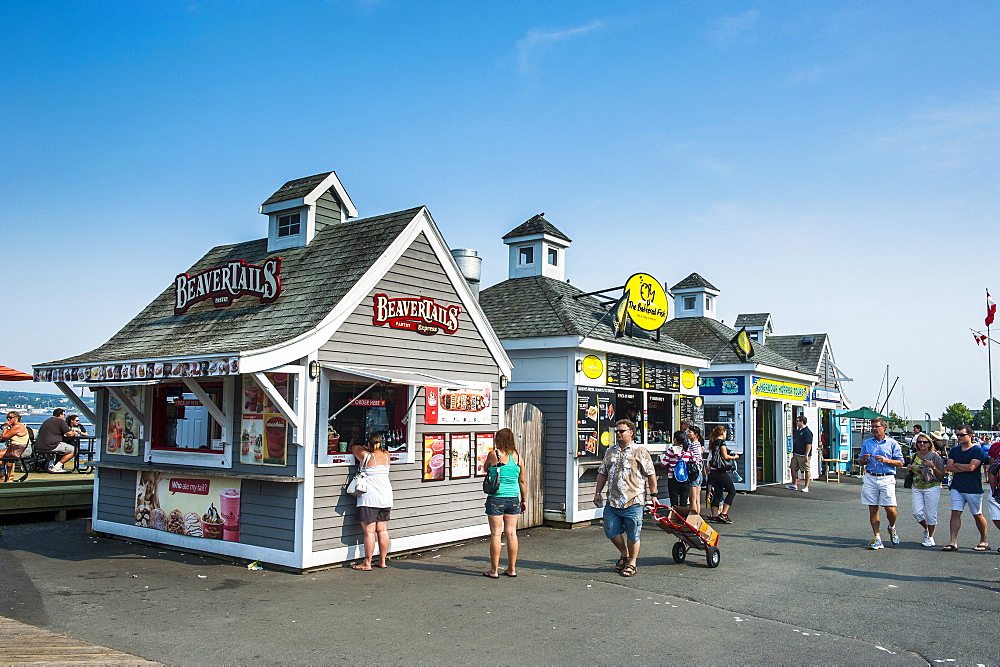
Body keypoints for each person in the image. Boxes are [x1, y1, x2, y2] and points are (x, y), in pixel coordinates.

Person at [593, 419, 656, 578]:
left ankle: (632, 562)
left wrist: (654, 495)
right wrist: (597, 492)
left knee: (633, 533)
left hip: (633, 500)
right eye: (617, 431)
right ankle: (624, 553)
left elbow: (650, 473)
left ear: (631, 432)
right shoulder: (610, 452)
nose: (618, 434)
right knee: (610, 530)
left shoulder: (640, 451)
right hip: (613, 500)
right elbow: (603, 472)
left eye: (621, 431)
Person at [482, 427, 526, 578]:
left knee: (496, 533)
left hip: (496, 498)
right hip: (513, 498)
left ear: (498, 440)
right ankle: (511, 568)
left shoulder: (494, 455)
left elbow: (485, 468)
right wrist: (524, 500)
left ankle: (494, 570)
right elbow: (522, 481)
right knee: (512, 533)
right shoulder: (518, 458)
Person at [857, 417, 905, 549]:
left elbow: (901, 462)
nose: (874, 429)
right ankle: (877, 537)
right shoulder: (867, 443)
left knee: (890, 508)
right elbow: (859, 461)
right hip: (871, 476)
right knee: (872, 507)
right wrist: (863, 459)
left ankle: (892, 527)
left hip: (887, 477)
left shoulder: (892, 443)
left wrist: (886, 460)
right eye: (872, 427)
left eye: (877, 427)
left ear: (884, 428)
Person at [941, 425, 989, 551]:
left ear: (970, 435)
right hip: (957, 486)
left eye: (962, 435)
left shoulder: (977, 450)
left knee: (977, 514)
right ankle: (953, 541)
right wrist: (962, 467)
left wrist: (957, 465)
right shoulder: (955, 450)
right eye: (957, 435)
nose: (959, 437)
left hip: (973, 487)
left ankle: (983, 540)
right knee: (955, 513)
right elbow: (949, 467)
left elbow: (972, 468)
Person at [350, 432, 393, 569]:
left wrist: (363, 446)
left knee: (369, 531)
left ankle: (367, 562)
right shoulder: (387, 455)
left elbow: (354, 447)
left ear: (369, 443)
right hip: (386, 496)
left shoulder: (366, 455)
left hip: (369, 497)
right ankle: (382, 561)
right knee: (382, 530)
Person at [907, 432, 945, 547]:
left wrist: (932, 466)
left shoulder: (934, 456)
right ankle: (927, 528)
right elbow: (911, 469)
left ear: (929, 443)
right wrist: (910, 468)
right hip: (917, 486)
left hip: (932, 486)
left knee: (930, 513)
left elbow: (942, 475)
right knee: (917, 513)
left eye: (925, 442)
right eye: (920, 442)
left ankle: (931, 537)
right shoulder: (914, 456)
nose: (922, 444)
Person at [706, 425, 740, 524]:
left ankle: (714, 515)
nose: (726, 435)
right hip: (720, 471)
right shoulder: (721, 442)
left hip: (713, 471)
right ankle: (723, 513)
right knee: (732, 491)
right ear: (722, 433)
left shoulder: (713, 443)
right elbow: (725, 456)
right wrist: (735, 457)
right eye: (725, 433)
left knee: (718, 492)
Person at [35, 408, 79, 473]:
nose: (64, 416)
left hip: (39, 445)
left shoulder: (47, 421)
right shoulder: (60, 421)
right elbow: (69, 434)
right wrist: (75, 433)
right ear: (60, 415)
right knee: (75, 450)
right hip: (51, 445)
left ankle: (50, 466)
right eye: (64, 414)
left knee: (53, 451)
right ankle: (57, 466)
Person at [660, 430, 694, 508]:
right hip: (685, 478)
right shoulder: (688, 450)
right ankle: (683, 518)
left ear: (675, 439)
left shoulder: (671, 450)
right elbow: (694, 461)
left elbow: (663, 464)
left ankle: (675, 517)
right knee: (684, 501)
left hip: (673, 477)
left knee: (674, 502)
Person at [786, 415, 814, 492]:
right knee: (793, 468)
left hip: (803, 455)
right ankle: (794, 484)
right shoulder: (798, 431)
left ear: (802, 422)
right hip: (796, 454)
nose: (796, 423)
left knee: (806, 470)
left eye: (798, 421)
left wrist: (806, 455)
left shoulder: (807, 432)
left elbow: (809, 444)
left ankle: (806, 487)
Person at [1, 411, 31, 481]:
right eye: (7, 418)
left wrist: (5, 427)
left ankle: (4, 477)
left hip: (21, 450)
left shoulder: (17, 426)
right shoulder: (14, 427)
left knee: (2, 455)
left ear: (16, 418)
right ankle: (5, 476)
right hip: (16, 449)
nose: (8, 419)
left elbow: (4, 437)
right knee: (2, 454)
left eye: (10, 418)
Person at [686, 425, 705, 514]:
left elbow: (695, 458)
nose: (688, 433)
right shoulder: (698, 444)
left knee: (693, 499)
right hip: (699, 472)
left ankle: (694, 519)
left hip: (694, 472)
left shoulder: (694, 444)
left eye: (690, 432)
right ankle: (698, 517)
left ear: (696, 434)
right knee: (697, 499)